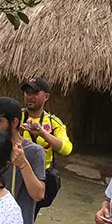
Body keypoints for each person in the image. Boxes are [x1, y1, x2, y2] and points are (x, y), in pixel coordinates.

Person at [19, 76, 73, 212]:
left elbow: (66, 149)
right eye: (27, 92)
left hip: (38, 178)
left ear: (46, 96)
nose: (30, 96)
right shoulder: (16, 117)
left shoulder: (54, 123)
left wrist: (42, 133)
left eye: (35, 93)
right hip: (16, 172)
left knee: (29, 217)